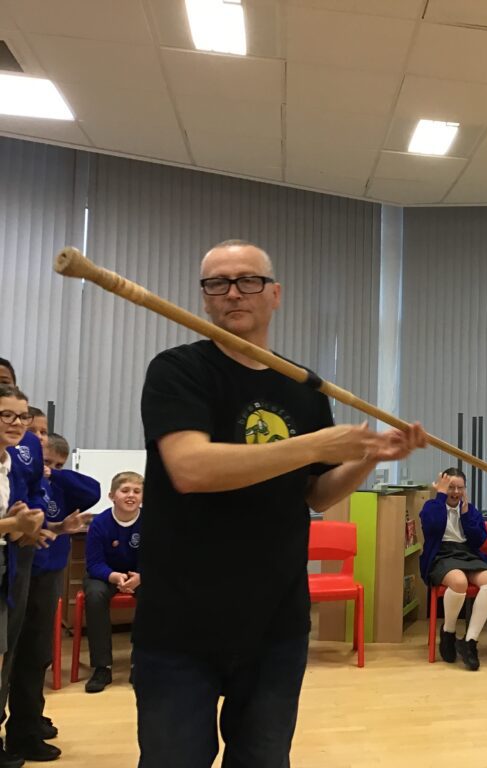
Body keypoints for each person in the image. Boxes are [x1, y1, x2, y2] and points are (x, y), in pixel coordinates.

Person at [133, 239, 427, 768]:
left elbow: (316, 494)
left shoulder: (303, 388)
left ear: (275, 294)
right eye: (217, 283)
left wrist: (368, 458)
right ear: (204, 298)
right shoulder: (177, 370)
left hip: (276, 624)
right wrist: (313, 445)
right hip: (180, 624)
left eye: (248, 280)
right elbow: (191, 469)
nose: (233, 293)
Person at [4, 433, 97, 756]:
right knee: (14, 656)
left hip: (48, 574)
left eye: (57, 463)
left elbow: (92, 490)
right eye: (45, 460)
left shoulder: (52, 482)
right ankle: (22, 727)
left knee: (38, 654)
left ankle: (29, 722)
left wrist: (52, 474)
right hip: (21, 571)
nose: (49, 466)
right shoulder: (16, 475)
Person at [0, 385, 46, 768]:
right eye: (7, 415)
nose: (17, 424)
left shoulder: (9, 464)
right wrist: (14, 524)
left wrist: (25, 524)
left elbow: (13, 529)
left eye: (22, 416)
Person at [419, 469, 487, 671]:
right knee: (459, 581)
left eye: (460, 488)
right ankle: (449, 631)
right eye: (450, 487)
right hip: (441, 554)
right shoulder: (432, 506)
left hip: (467, 553)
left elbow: (479, 539)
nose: (455, 492)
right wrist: (440, 496)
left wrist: (465, 516)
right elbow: (432, 528)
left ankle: (470, 641)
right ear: (442, 488)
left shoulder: (470, 510)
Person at [82, 471, 143, 694]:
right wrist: (115, 577)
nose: (131, 495)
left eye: (136, 491)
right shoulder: (100, 523)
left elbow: (157, 558)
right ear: (112, 496)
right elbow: (94, 563)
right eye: (125, 490)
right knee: (95, 595)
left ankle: (139, 664)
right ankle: (102, 667)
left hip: (139, 575)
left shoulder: (151, 522)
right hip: (105, 574)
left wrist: (141, 576)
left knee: (154, 594)